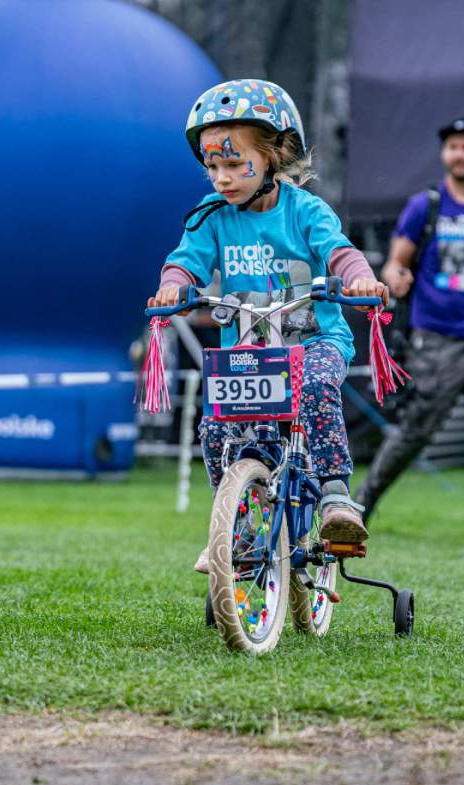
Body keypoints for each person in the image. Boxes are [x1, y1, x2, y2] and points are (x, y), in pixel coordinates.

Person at [146, 79, 388, 572]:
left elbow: (338, 251)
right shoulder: (211, 217)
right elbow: (185, 259)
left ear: (275, 154)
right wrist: (174, 284)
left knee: (317, 385)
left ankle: (336, 498)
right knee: (215, 427)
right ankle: (240, 524)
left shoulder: (304, 211)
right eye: (213, 166)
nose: (222, 178)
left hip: (314, 342)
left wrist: (359, 278)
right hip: (251, 353)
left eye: (235, 164)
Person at [356, 117, 464, 544]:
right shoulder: (425, 205)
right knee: (416, 430)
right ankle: (361, 505)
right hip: (436, 338)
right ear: (445, 156)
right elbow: (395, 261)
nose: (459, 154)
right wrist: (395, 277)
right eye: (452, 147)